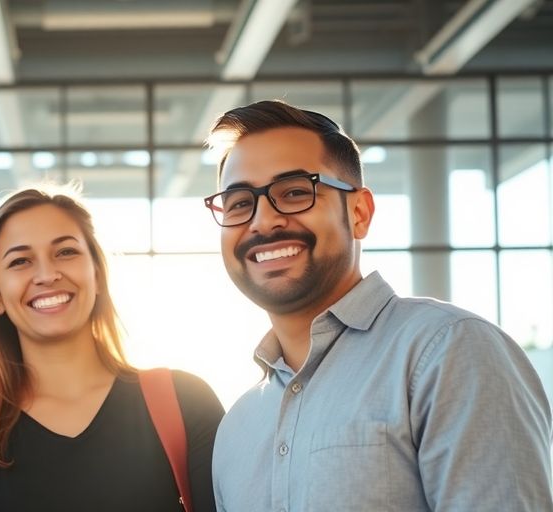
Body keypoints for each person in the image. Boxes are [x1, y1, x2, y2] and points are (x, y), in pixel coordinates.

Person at [206, 100, 553, 511]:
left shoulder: (448, 351)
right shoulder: (236, 429)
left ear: (359, 212)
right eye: (240, 203)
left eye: (295, 192)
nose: (263, 221)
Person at [0, 184, 225, 512]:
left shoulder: (186, 402)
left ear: (98, 273)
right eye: (20, 260)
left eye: (65, 252)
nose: (47, 275)